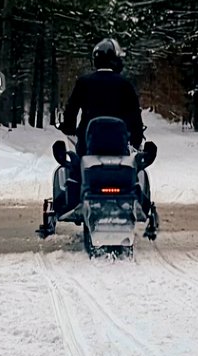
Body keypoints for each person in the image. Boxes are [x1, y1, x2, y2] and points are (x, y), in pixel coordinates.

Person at [47, 38, 144, 222]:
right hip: (119, 144)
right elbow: (135, 115)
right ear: (116, 60)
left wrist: (68, 127)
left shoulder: (84, 82)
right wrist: (136, 138)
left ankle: (74, 202)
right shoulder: (125, 84)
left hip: (88, 143)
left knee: (75, 169)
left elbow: (71, 110)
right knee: (133, 170)